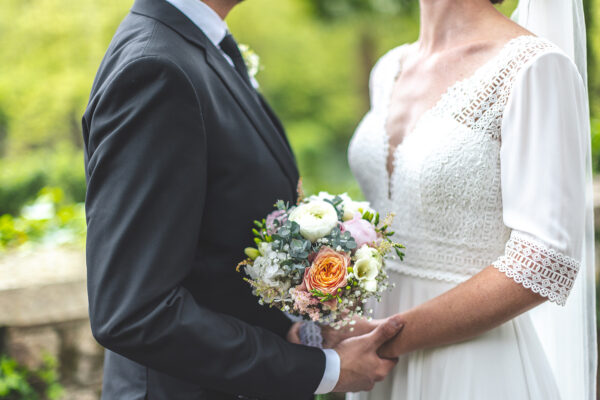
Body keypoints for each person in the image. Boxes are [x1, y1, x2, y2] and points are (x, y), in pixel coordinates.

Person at [81, 0, 404, 398]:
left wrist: (298, 330)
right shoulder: (156, 69)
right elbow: (135, 311)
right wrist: (322, 370)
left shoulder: (201, 47)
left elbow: (213, 259)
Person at [343, 0, 597, 398]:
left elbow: (544, 263)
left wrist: (387, 338)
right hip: (372, 367)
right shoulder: (389, 68)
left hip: (470, 366)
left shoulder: (535, 67)